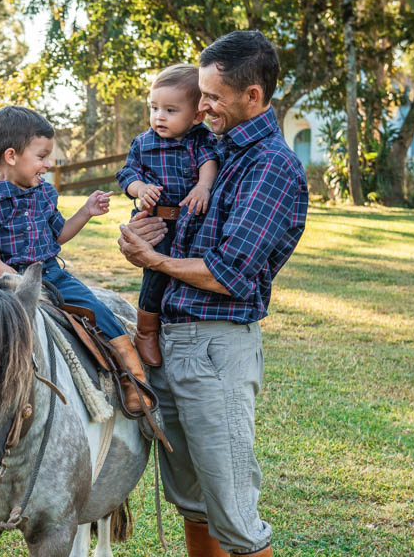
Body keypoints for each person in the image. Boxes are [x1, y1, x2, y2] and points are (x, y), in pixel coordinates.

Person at [118, 31, 309, 557]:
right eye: (198, 94)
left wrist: (153, 261)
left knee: (234, 514)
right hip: (173, 343)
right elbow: (170, 229)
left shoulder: (269, 165)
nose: (201, 106)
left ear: (252, 96)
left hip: (215, 350)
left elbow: (231, 273)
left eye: (212, 96)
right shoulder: (210, 151)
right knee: (193, 503)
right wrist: (142, 234)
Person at [0, 105, 151, 415]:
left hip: (51, 273)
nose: (47, 165)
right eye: (41, 157)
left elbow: (58, 234)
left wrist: (86, 211)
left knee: (99, 312)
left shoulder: (44, 193)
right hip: (9, 277)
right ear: (11, 156)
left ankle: (133, 378)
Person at [115, 63, 218, 368]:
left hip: (191, 218)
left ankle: (181, 325)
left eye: (171, 110)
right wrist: (139, 188)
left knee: (189, 271)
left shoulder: (201, 139)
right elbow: (127, 173)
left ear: (197, 115)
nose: (159, 116)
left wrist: (203, 187)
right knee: (155, 272)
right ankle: (146, 330)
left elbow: (209, 162)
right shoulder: (144, 143)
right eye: (154, 107)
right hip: (158, 220)